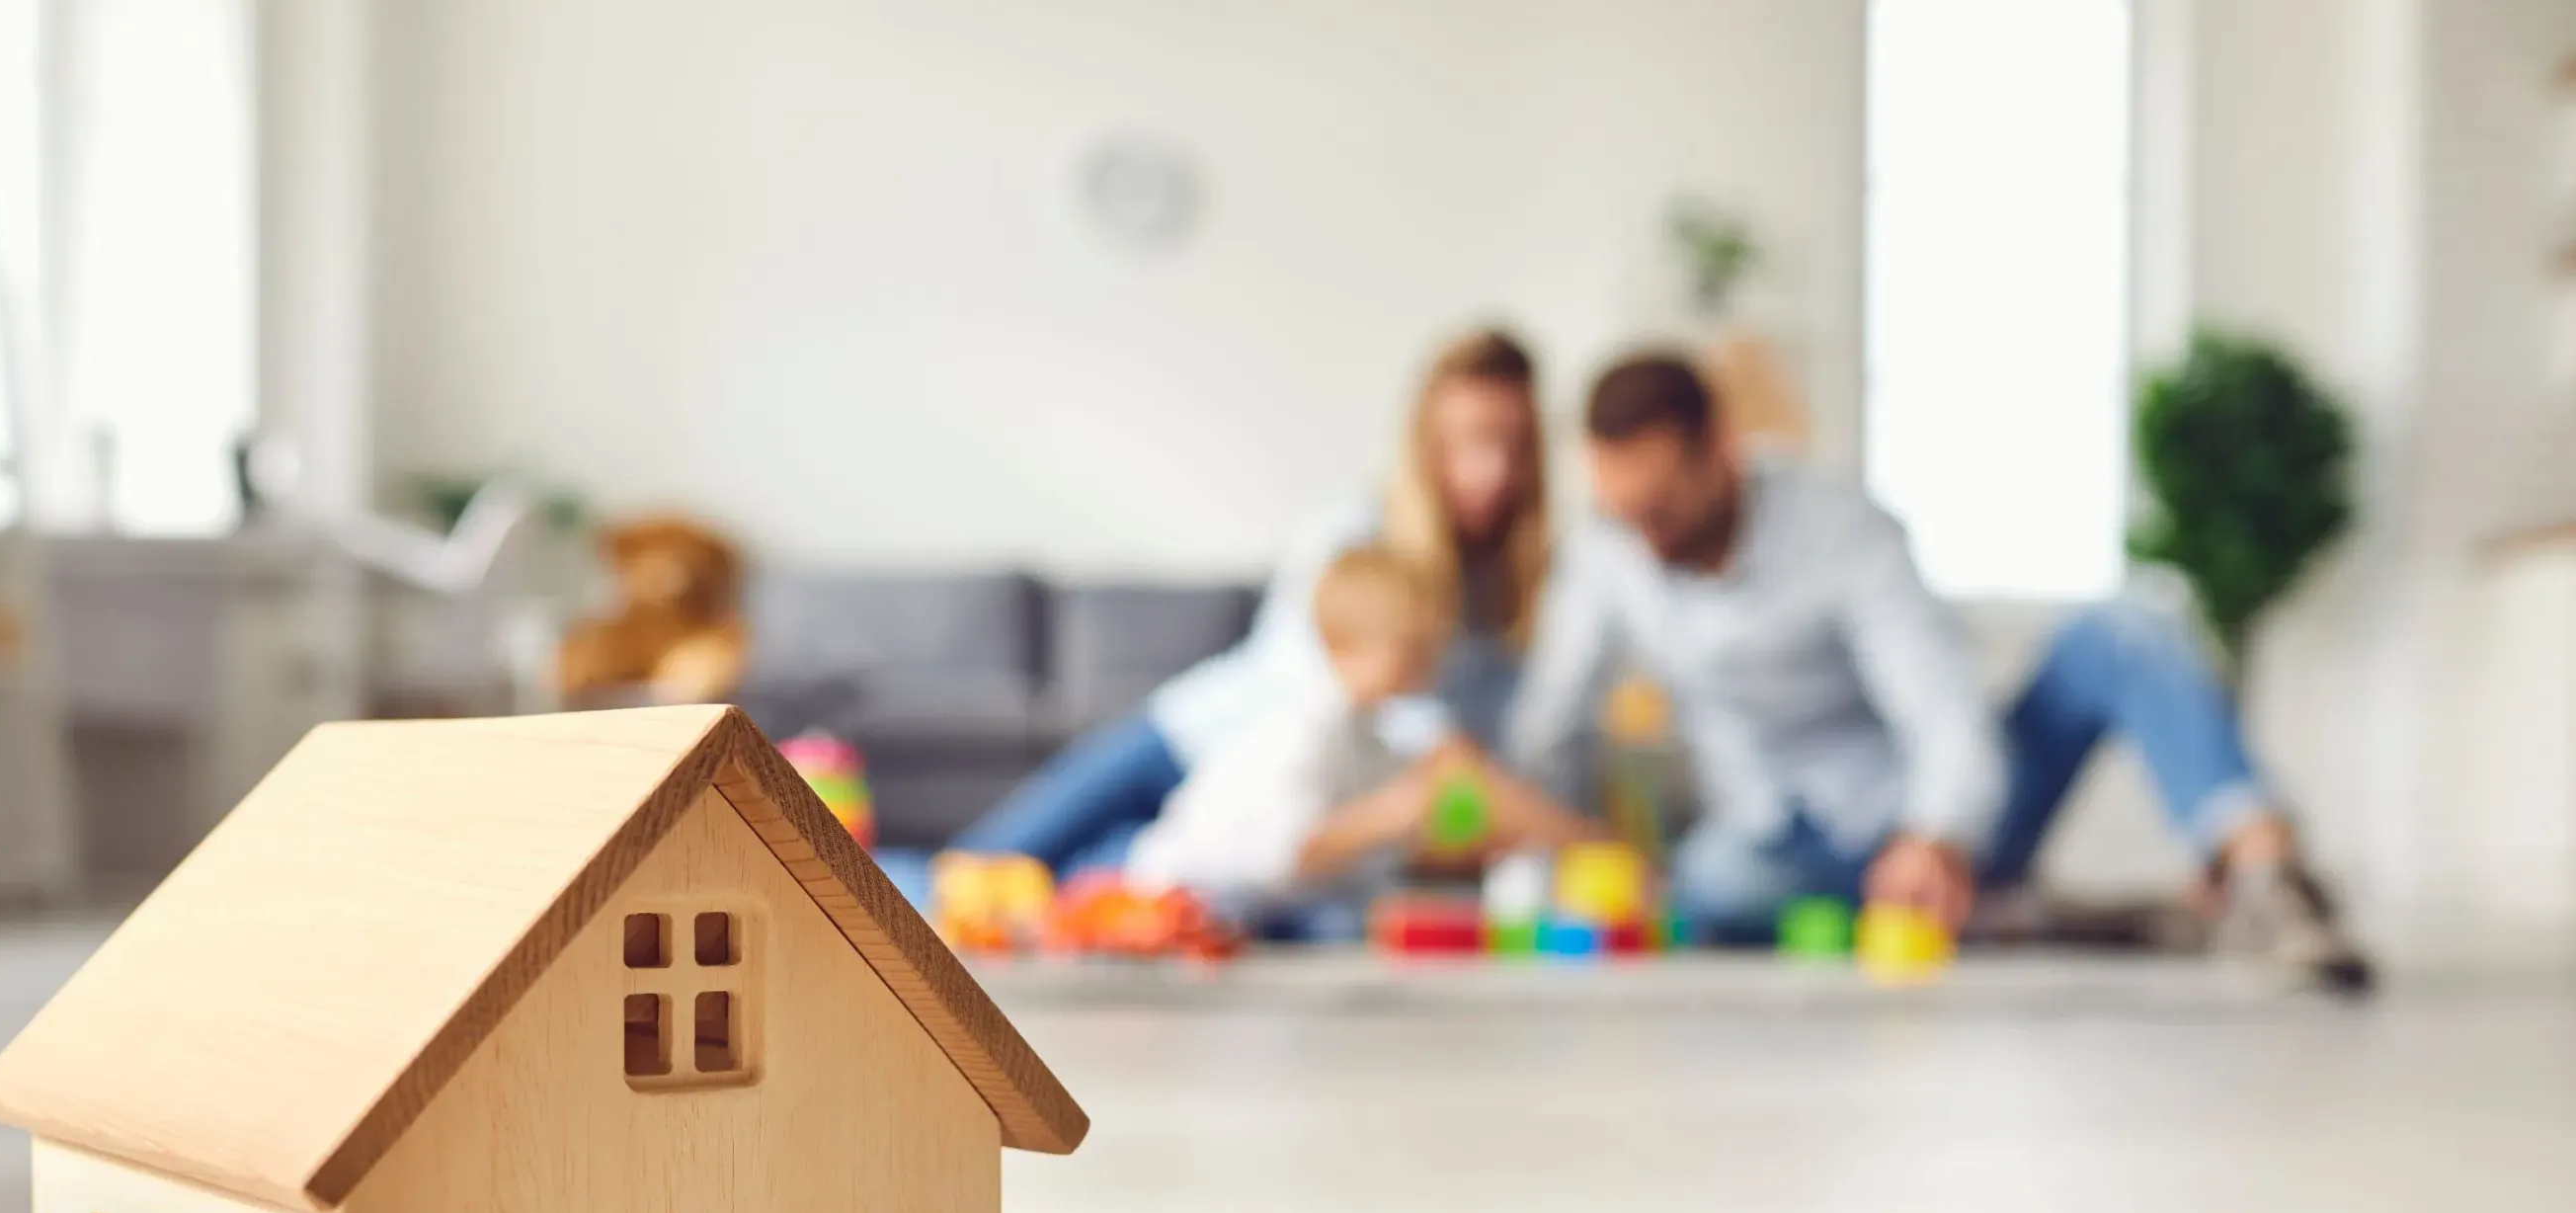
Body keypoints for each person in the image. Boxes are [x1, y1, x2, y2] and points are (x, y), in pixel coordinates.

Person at [1509, 354, 2373, 991]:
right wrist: (1537, 851)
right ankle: (2022, 917)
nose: (1644, 535)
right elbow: (1552, 724)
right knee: (1714, 887)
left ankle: (2266, 879)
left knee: (2129, 625)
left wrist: (1935, 832)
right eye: (1622, 513)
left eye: (1660, 507)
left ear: (1722, 453)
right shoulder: (1606, 557)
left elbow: (1939, 704)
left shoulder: (1840, 530)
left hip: (1931, 818)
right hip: (1775, 844)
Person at [948, 327, 1553, 873]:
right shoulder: (1353, 532)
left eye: (1513, 445)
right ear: (1426, 441)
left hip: (1259, 821)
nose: (1491, 470)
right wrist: (1448, 753)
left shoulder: (1513, 589)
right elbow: (1343, 679)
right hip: (1190, 742)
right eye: (1471, 442)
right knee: (981, 867)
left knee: (1081, 892)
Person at [1125, 548, 1595, 938]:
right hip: (1180, 894)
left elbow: (1397, 832)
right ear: (1343, 645)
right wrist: (1390, 815)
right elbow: (1287, 854)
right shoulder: (1303, 731)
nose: (1429, 664)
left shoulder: (1370, 733)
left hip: (1262, 906)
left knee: (1371, 915)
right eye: (1412, 648)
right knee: (1345, 926)